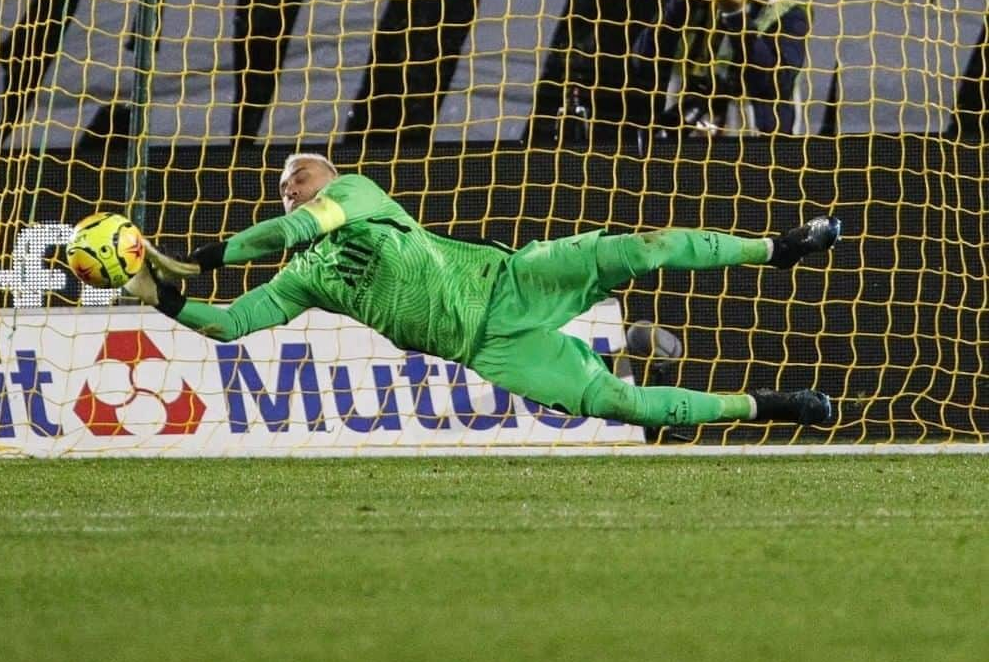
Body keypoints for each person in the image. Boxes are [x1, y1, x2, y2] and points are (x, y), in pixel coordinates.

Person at [125, 152, 842, 432]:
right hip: (490, 344)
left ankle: (776, 247)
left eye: (299, 179)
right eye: (283, 187)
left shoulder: (356, 194)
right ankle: (777, 406)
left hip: (512, 277)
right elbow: (227, 323)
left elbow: (279, 235)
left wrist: (196, 256)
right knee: (618, 404)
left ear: (329, 176)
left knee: (641, 247)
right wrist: (157, 290)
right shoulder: (308, 276)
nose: (290, 190)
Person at [629, 0, 809, 148]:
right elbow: (642, 63)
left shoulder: (787, 13)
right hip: (688, 144)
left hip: (756, 151)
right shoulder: (693, 7)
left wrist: (736, 16)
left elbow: (774, 83)